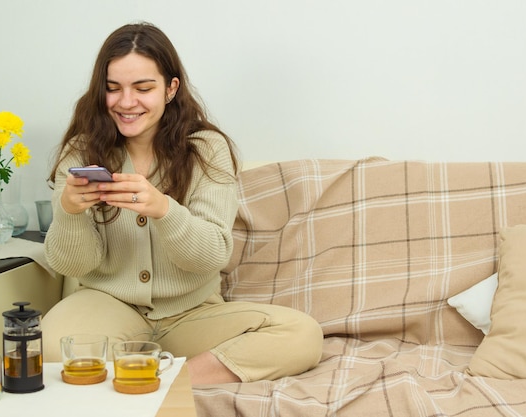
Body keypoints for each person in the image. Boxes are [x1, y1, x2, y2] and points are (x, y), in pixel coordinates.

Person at [42, 22, 323, 384]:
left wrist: (163, 210)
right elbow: (73, 263)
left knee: (303, 335)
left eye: (143, 88)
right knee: (51, 345)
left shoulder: (206, 150)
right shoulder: (80, 152)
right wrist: (70, 212)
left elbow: (211, 256)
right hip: (105, 305)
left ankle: (167, 381)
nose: (126, 102)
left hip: (192, 314)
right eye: (113, 89)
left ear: (171, 88)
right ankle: (151, 375)